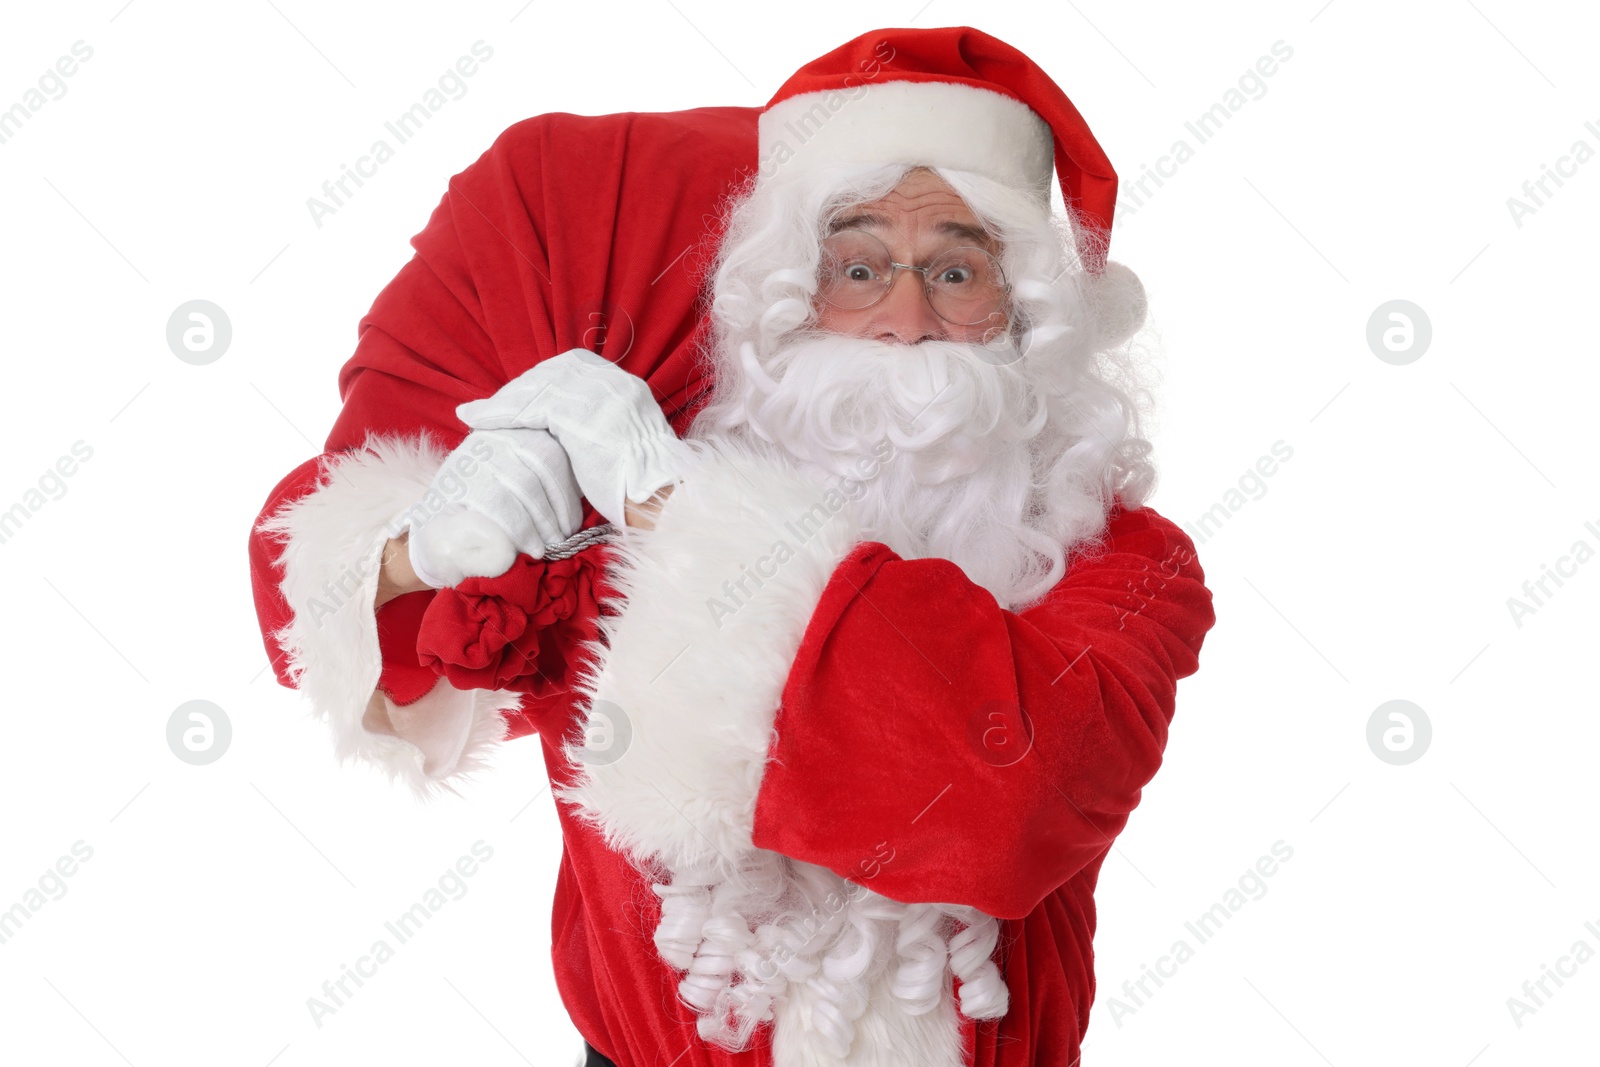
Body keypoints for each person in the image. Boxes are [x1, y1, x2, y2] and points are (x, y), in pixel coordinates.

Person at [248, 25, 1216, 1067]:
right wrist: (420, 541)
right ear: (789, 301)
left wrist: (677, 506)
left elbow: (1007, 801)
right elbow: (365, 618)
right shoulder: (609, 530)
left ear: (1026, 315)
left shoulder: (1125, 565)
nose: (903, 318)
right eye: (857, 264)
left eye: (955, 268)